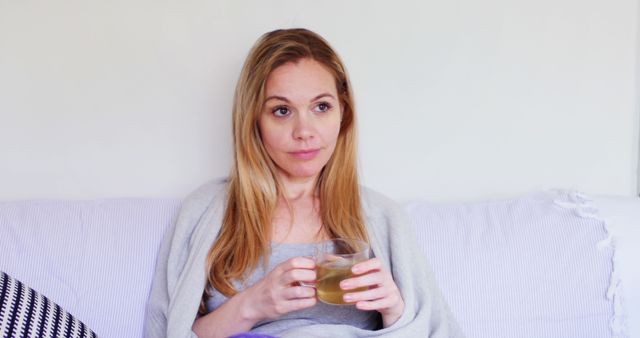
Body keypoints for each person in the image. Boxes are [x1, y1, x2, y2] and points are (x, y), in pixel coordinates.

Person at [144, 28, 463, 338]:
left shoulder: (382, 217)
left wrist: (394, 310)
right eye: (282, 111)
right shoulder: (206, 210)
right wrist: (253, 305)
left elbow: (438, 331)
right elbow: (166, 332)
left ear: (343, 114)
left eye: (321, 107)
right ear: (254, 120)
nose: (304, 131)